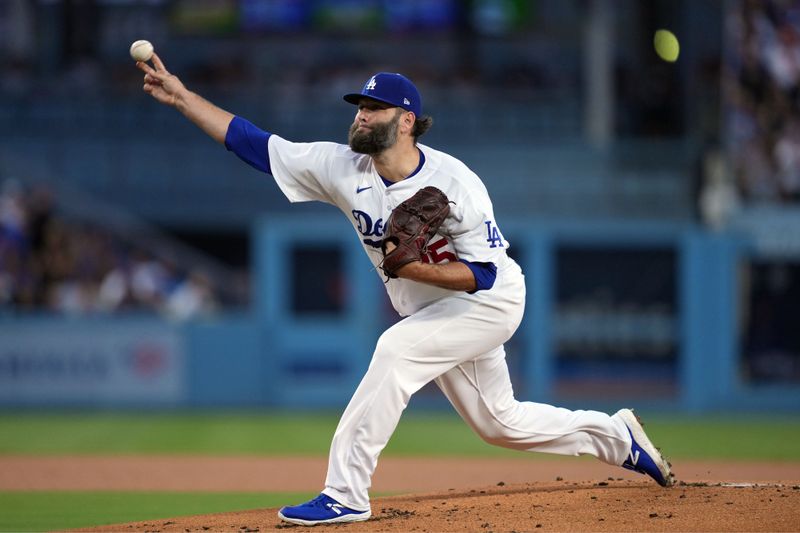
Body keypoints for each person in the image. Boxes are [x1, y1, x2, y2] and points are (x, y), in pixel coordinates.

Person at [136, 55, 674, 526]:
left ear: (407, 120)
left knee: (395, 348)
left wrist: (413, 271)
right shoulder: (342, 167)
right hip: (436, 315)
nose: (360, 115)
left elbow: (484, 275)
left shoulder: (456, 181)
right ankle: (617, 437)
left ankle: (345, 494)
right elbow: (254, 144)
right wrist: (182, 98)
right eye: (358, 107)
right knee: (499, 423)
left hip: (490, 302)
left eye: (373, 108)